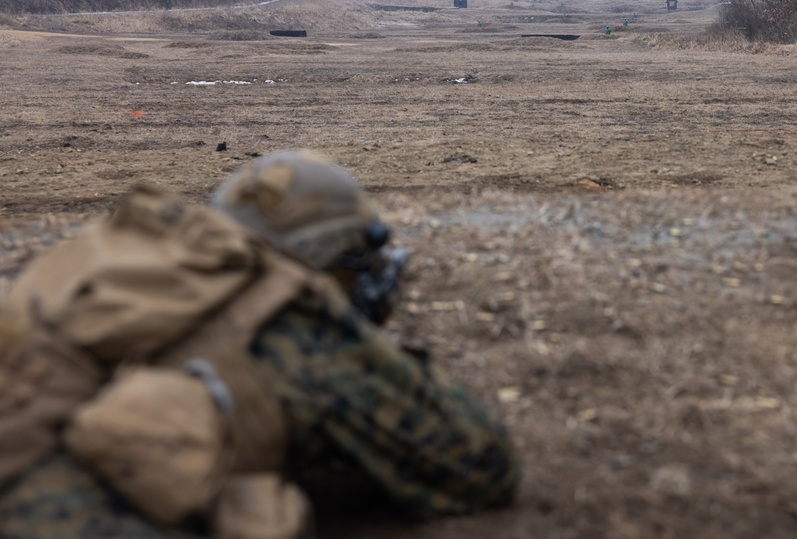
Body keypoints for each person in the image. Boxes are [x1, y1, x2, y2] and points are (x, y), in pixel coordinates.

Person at [0, 150, 519, 539]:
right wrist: (355, 331)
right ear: (326, 256)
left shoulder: (110, 264)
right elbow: (479, 466)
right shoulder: (287, 317)